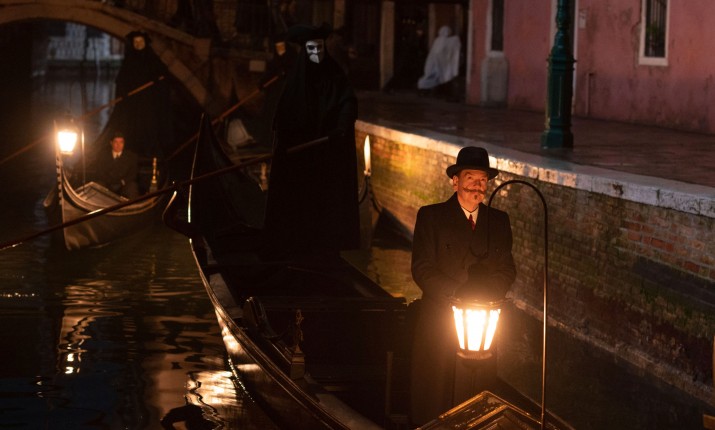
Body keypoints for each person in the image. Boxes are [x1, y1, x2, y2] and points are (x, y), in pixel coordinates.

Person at [409, 146, 516, 425]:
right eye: (471, 178)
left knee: (477, 393)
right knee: (436, 393)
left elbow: (507, 269)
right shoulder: (431, 217)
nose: (477, 186)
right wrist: (458, 296)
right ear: (455, 181)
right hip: (440, 321)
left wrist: (484, 296)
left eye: (483, 180)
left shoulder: (498, 222)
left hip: (481, 328)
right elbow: (421, 268)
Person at [263, 22, 360, 257]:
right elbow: (285, 116)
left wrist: (341, 126)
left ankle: (323, 247)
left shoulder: (335, 75)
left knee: (323, 202)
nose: (316, 53)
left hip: (326, 155)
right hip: (300, 157)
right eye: (312, 49)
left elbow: (347, 102)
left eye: (319, 48)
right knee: (298, 201)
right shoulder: (297, 79)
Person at [93, 132, 139, 199]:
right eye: (116, 142)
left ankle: (134, 205)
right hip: (107, 184)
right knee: (98, 186)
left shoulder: (131, 156)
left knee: (132, 187)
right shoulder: (103, 156)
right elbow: (100, 172)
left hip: (123, 185)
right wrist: (110, 181)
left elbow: (133, 174)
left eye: (121, 142)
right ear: (111, 143)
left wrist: (122, 182)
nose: (118, 145)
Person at [417, 25, 461, 93]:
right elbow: (439, 51)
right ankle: (426, 88)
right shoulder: (441, 41)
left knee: (437, 76)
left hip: (438, 62)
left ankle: (428, 88)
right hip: (437, 62)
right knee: (435, 76)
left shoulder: (439, 40)